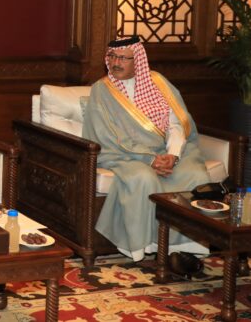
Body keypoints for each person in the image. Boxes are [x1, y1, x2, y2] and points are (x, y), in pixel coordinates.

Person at [83, 36, 210, 274]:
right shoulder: (102, 90)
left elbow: (176, 124)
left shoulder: (159, 82)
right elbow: (105, 136)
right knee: (143, 178)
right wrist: (149, 160)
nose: (116, 63)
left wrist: (172, 155)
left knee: (195, 174)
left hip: (166, 150)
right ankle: (146, 247)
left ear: (138, 61)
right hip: (124, 155)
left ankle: (186, 248)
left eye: (123, 58)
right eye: (112, 57)